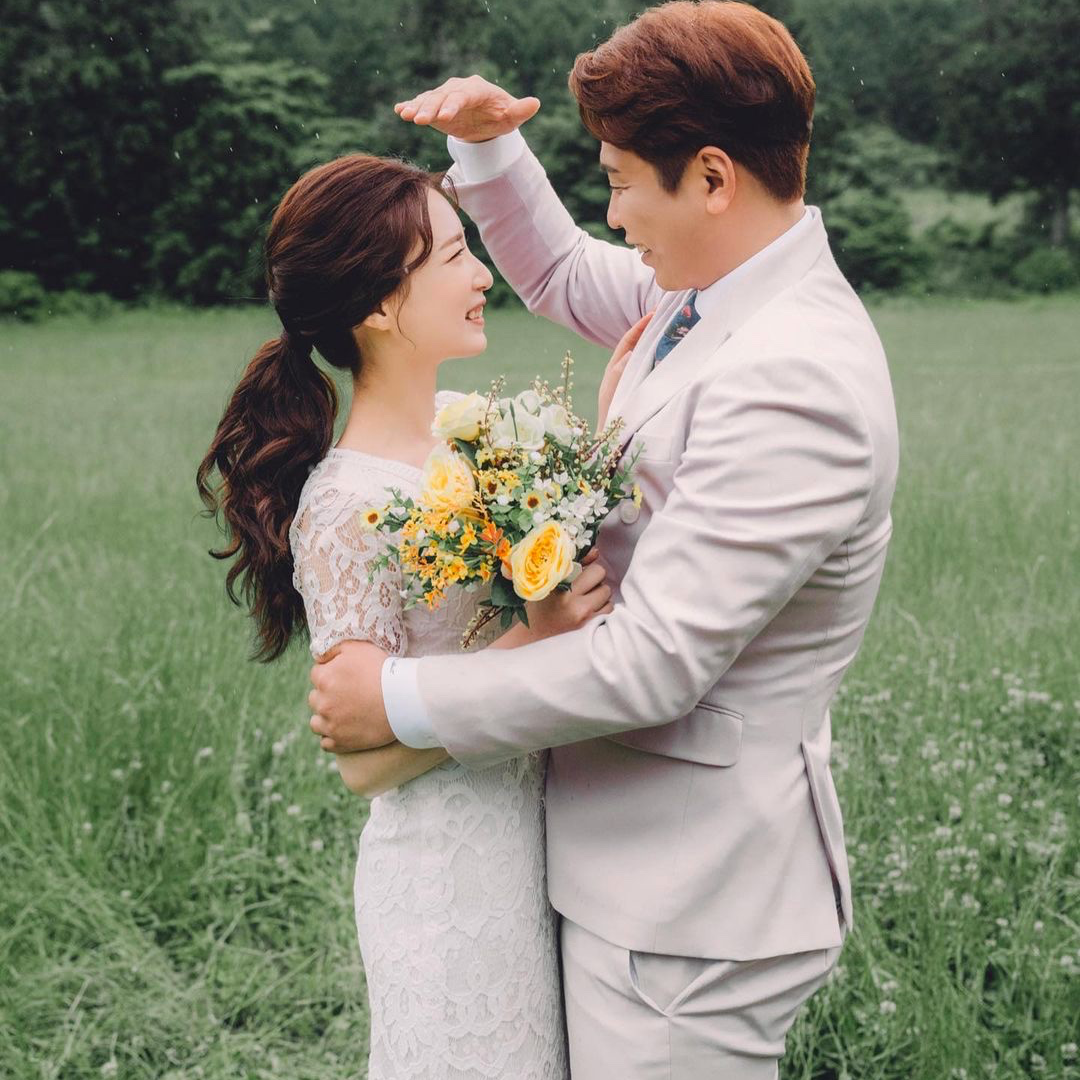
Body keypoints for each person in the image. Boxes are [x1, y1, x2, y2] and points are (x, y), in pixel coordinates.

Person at [307, 2, 900, 1077]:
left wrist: (395, 700)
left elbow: (654, 662)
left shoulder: (793, 374)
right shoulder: (713, 295)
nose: (615, 216)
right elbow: (564, 275)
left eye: (622, 182)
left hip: (687, 906)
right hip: (633, 870)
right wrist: (489, 148)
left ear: (712, 178)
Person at [196, 153, 630, 1079]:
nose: (482, 277)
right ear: (381, 306)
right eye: (454, 256)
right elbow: (365, 763)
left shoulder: (468, 440)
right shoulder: (345, 506)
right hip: (445, 890)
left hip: (539, 857)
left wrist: (609, 431)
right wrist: (536, 643)